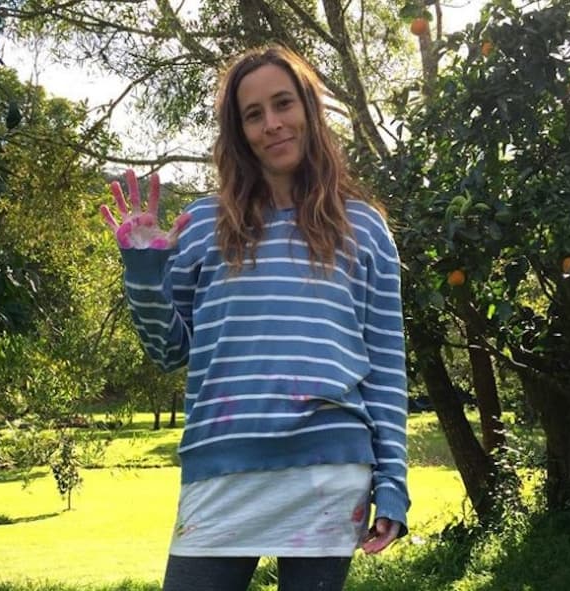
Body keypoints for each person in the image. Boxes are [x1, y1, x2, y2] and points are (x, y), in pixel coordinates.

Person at [100, 45, 409, 591]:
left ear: (309, 109)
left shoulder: (364, 229)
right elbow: (168, 351)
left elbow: (385, 368)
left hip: (327, 467)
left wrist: (393, 482)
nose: (272, 124)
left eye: (283, 103)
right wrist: (144, 272)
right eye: (253, 114)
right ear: (239, 132)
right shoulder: (201, 224)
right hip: (221, 466)